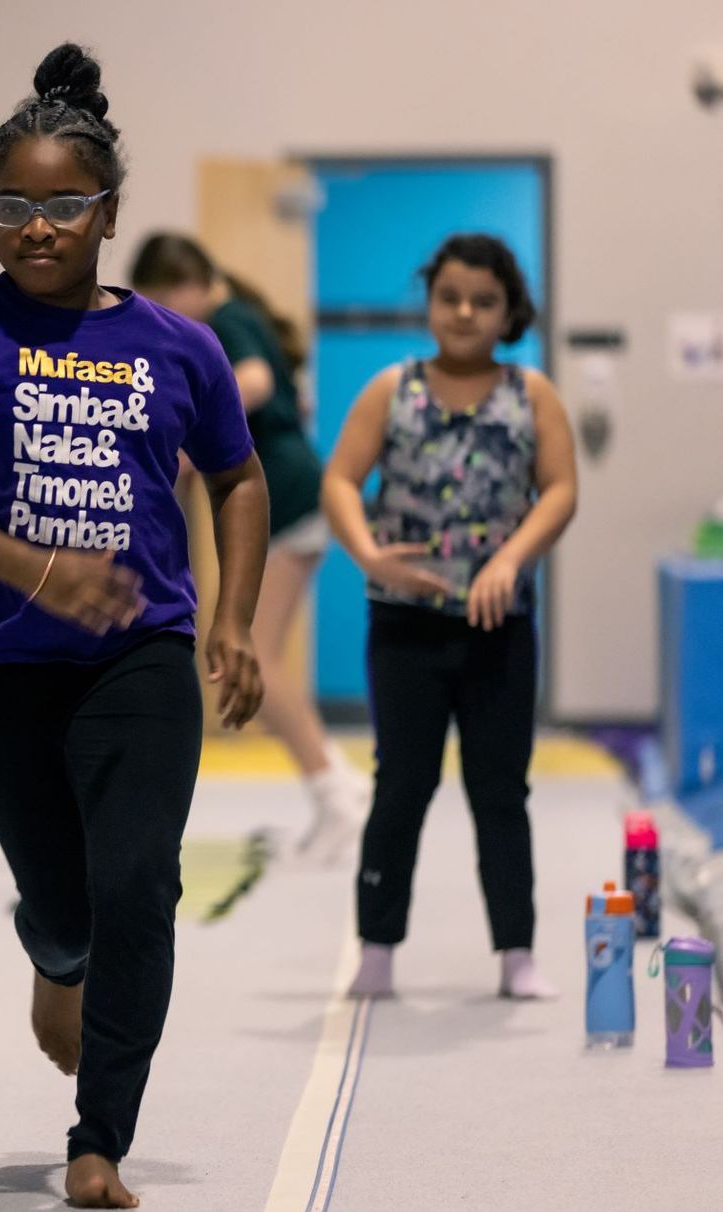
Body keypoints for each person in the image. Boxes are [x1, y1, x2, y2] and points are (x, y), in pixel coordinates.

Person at [0, 44, 268, 1209]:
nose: (35, 227)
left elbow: (238, 478)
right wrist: (36, 571)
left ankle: (99, 1134)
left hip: (138, 651)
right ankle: (57, 945)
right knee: (65, 893)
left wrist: (232, 619)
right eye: (11, 206)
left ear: (106, 214)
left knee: (138, 877)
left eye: (61, 206)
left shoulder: (177, 345)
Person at [320, 233, 577, 1001]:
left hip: (499, 625)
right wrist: (368, 554)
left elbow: (560, 490)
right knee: (403, 782)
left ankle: (516, 951)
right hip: (406, 623)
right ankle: (376, 947)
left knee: (500, 788)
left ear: (509, 311)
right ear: (431, 304)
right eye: (451, 298)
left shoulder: (531, 394)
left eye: (484, 301)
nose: (465, 313)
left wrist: (509, 560)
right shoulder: (391, 389)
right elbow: (339, 479)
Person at [132, 233, 370, 861]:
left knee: (254, 659)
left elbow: (258, 382)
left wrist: (181, 421)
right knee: (263, 656)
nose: (167, 322)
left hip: (287, 497)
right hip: (295, 493)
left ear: (188, 287)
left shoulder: (229, 319)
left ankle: (334, 795)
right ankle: (338, 783)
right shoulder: (240, 315)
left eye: (166, 305)